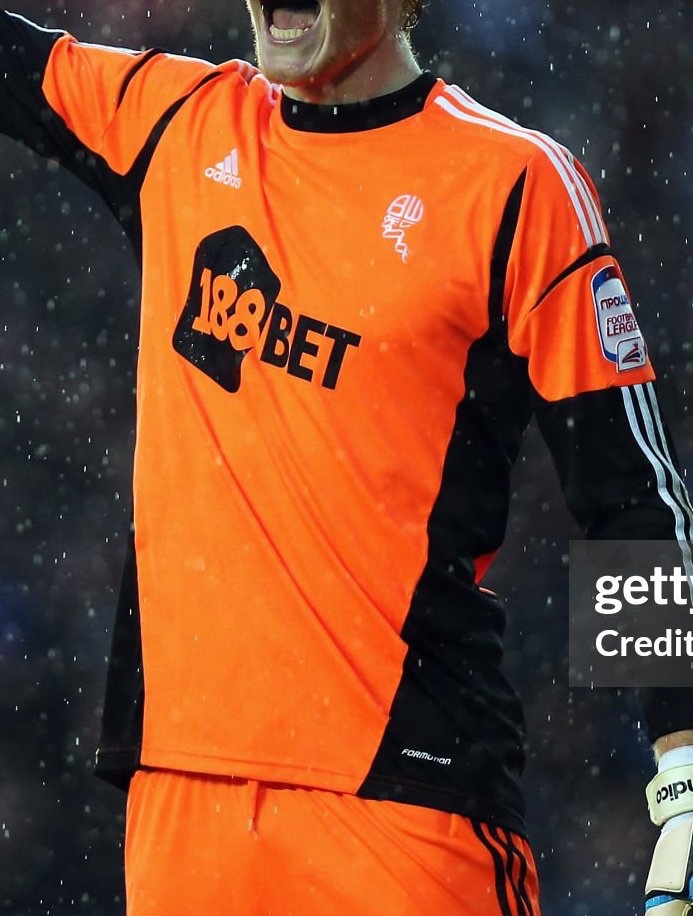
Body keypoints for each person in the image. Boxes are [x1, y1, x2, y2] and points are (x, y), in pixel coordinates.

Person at [1, 1, 692, 913]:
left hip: (406, 804)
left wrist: (679, 763)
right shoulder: (176, 121)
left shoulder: (515, 185)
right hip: (178, 802)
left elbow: (630, 496)